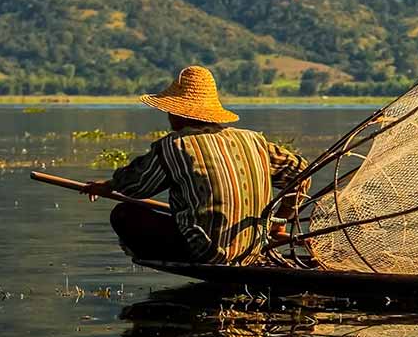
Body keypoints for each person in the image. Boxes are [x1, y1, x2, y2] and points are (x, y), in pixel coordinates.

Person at [85, 66, 309, 264]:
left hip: (206, 253)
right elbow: (301, 174)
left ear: (179, 113)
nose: (168, 117)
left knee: (124, 214)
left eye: (170, 111)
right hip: (252, 250)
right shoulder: (253, 140)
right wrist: (280, 223)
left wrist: (109, 186)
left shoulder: (175, 146)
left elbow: (136, 186)